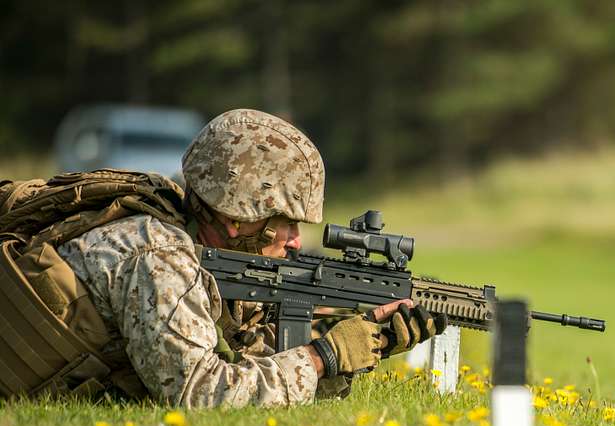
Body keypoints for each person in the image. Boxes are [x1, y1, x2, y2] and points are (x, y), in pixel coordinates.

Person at [47, 108, 444, 407]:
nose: (295, 242)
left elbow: (250, 369)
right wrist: (325, 356)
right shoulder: (158, 255)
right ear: (238, 216)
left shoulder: (211, 257)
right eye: (286, 222)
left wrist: (368, 342)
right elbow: (203, 395)